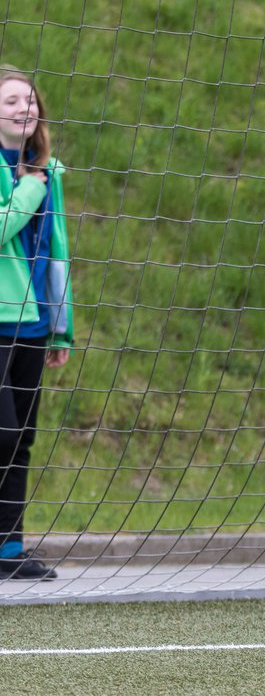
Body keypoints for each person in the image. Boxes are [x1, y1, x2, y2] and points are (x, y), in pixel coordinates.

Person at [0, 68, 74, 581]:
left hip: (32, 325)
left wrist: (59, 325)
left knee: (21, 436)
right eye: (10, 100)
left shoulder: (49, 172)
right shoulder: (32, 182)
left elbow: (57, 252)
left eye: (29, 100)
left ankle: (8, 550)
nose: (24, 108)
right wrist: (26, 193)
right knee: (1, 435)